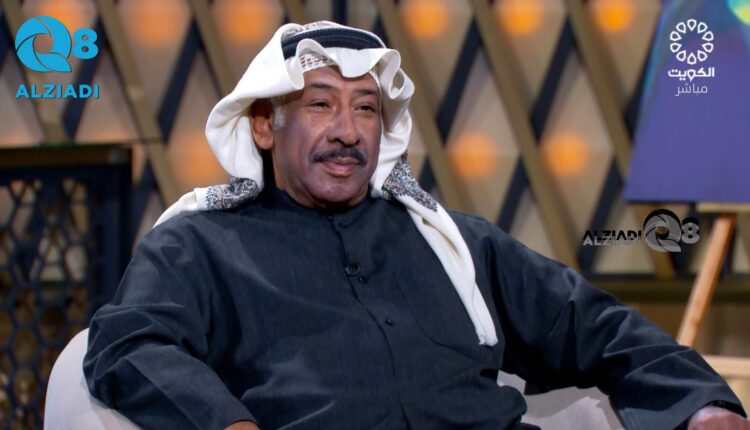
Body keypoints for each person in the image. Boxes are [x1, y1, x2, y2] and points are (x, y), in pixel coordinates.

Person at [83, 22, 748, 430]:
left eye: (365, 108)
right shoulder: (201, 245)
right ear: (263, 124)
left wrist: (702, 404)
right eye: (320, 105)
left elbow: (593, 324)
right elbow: (128, 343)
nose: (348, 131)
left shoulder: (450, 242)